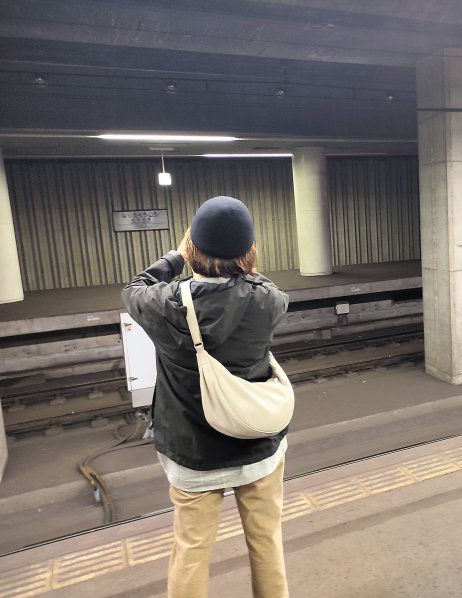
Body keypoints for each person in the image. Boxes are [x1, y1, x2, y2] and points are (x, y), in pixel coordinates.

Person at [122, 195, 290, 598]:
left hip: (192, 455)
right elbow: (260, 282)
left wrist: (177, 257)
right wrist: (243, 261)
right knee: (267, 542)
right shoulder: (269, 301)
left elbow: (134, 288)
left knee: (191, 550)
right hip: (257, 447)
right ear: (249, 253)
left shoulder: (165, 305)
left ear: (193, 247)